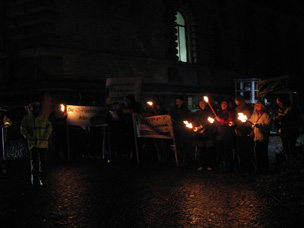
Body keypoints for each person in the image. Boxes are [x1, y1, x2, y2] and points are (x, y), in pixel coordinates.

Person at [20, 101, 53, 187]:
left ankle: (42, 179)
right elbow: (23, 129)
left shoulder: (43, 117)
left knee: (42, 163)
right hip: (33, 144)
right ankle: (35, 180)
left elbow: (49, 127)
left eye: (36, 108)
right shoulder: (27, 118)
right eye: (34, 108)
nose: (35, 110)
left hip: (42, 143)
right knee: (35, 162)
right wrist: (29, 137)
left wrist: (45, 136)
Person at [274, 96, 301, 169]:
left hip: (291, 132)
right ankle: (287, 166)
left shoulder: (293, 109)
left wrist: (283, 118)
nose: (280, 105)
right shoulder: (280, 110)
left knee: (291, 149)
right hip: (283, 132)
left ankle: (294, 166)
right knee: (285, 150)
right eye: (278, 104)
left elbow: (294, 119)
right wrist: (276, 121)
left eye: (280, 103)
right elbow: (279, 123)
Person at [191, 99, 216, 171]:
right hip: (199, 134)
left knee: (209, 150)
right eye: (200, 103)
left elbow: (210, 122)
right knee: (201, 150)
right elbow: (194, 122)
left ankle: (210, 165)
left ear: (205, 104)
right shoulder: (197, 113)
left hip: (208, 133)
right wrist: (195, 127)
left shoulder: (209, 112)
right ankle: (201, 164)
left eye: (203, 103)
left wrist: (201, 126)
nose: (201, 104)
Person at [249, 101, 271, 175]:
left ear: (262, 106)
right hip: (256, 137)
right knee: (257, 155)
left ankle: (265, 170)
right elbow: (250, 121)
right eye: (256, 105)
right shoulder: (254, 115)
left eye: (258, 105)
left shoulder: (265, 115)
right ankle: (258, 170)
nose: (257, 106)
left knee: (263, 154)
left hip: (263, 137)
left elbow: (267, 125)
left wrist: (259, 125)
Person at [234, 95, 255, 174]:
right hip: (240, 132)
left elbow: (247, 121)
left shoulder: (246, 109)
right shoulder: (238, 109)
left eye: (236, 100)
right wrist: (236, 128)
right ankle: (243, 167)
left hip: (246, 132)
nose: (235, 102)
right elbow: (238, 121)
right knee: (241, 151)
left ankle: (250, 168)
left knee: (247, 150)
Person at [215, 100, 236, 172]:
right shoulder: (218, 112)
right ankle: (221, 166)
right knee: (220, 152)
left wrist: (220, 120)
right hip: (219, 136)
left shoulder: (229, 113)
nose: (224, 105)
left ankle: (229, 167)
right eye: (222, 103)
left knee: (227, 152)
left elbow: (230, 122)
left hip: (226, 136)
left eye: (225, 103)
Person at [170, 96, 191, 167]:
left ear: (182, 101)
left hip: (183, 130)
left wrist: (174, 116)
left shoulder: (185, 109)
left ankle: (186, 160)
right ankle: (179, 160)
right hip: (176, 129)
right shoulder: (175, 109)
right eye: (176, 100)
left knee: (183, 145)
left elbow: (182, 117)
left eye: (178, 100)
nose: (177, 101)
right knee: (178, 145)